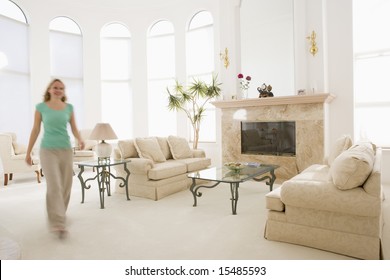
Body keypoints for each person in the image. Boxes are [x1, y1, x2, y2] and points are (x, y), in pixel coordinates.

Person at [25, 78, 85, 239]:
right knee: (54, 185)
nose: (58, 90)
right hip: (47, 150)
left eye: (61, 88)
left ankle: (60, 214)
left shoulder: (69, 108)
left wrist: (80, 139)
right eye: (55, 87)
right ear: (49, 90)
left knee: (66, 185)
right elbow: (35, 130)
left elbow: (74, 128)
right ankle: (58, 222)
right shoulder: (41, 107)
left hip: (66, 149)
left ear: (64, 92)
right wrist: (28, 152)